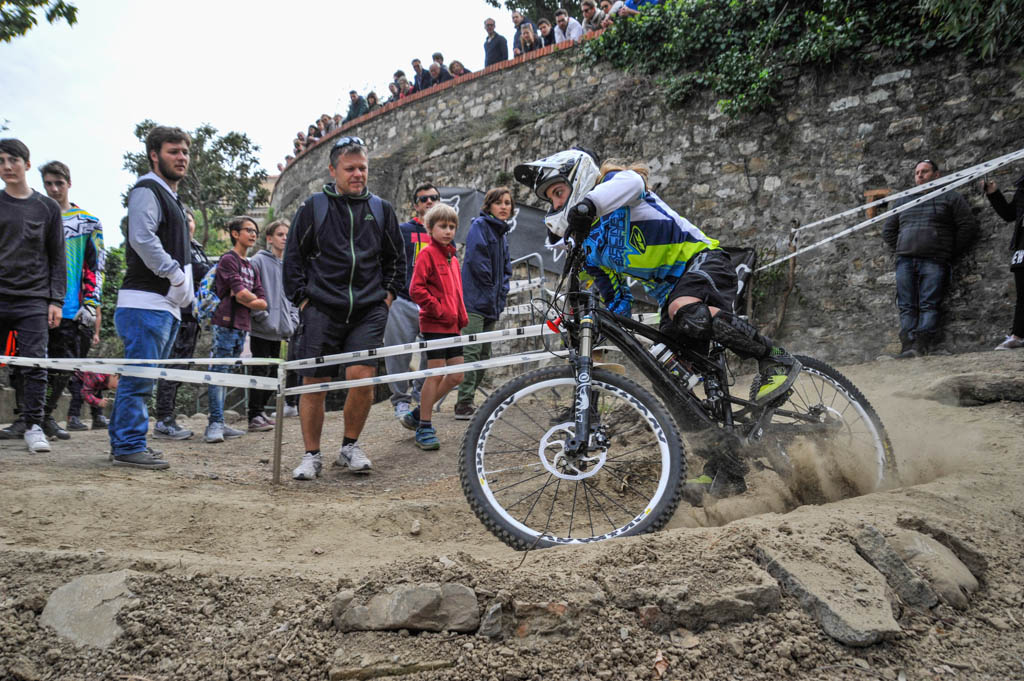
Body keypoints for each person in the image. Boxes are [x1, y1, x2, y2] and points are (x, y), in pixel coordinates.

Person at [513, 149, 802, 494]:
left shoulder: (615, 185)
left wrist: (587, 206)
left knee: (685, 309)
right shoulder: (592, 249)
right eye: (551, 199)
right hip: (671, 297)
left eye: (559, 192)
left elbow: (633, 181)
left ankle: (775, 359)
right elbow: (616, 299)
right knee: (667, 380)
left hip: (703, 262)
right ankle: (725, 466)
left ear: (578, 179)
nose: (556, 203)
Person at [283, 136, 404, 480]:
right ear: (333, 170)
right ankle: (311, 455)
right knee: (314, 383)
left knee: (362, 379)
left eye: (362, 168)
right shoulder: (313, 207)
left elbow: (396, 259)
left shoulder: (381, 209)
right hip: (321, 308)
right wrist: (303, 300)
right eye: (350, 168)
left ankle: (349, 447)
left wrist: (387, 297)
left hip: (368, 309)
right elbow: (293, 258)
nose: (357, 174)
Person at [109, 125, 194, 470]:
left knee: (143, 379)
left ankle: (127, 443)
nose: (181, 157)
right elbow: (142, 238)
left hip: (163, 306)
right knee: (139, 380)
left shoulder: (170, 197)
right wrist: (175, 274)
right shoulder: (147, 189)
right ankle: (128, 445)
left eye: (185, 151)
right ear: (154, 155)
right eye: (174, 151)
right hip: (145, 303)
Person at [0, 138, 66, 454]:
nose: (7, 166)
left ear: (26, 164)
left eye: (13, 160)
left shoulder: (47, 207)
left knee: (35, 365)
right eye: (1, 161)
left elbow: (57, 257)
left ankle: (33, 426)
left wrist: (56, 301)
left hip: (34, 299)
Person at [33, 160, 105, 439]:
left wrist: (91, 304)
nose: (53, 189)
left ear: (69, 183)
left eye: (59, 183)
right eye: (48, 184)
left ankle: (46, 416)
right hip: (35, 305)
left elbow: (97, 266)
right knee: (28, 365)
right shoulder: (34, 216)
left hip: (71, 309)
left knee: (64, 368)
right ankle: (29, 419)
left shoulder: (88, 222)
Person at [881, 159, 978, 358]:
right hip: (906, 260)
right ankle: (907, 346)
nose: (920, 175)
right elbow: (888, 231)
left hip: (934, 260)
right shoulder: (903, 200)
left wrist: (948, 250)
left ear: (936, 175)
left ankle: (921, 345)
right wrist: (903, 247)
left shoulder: (950, 197)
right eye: (917, 172)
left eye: (924, 171)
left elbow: (968, 226)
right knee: (906, 305)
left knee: (929, 303)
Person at [403, 203, 467, 449]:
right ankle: (425, 425)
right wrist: (438, 310)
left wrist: (460, 316)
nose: (448, 231)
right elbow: (416, 289)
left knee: (456, 375)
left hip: (453, 325)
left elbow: (457, 293)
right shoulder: (427, 254)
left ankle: (419, 412)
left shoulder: (453, 259)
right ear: (430, 228)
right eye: (442, 226)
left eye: (452, 226)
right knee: (436, 374)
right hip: (434, 324)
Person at [203, 216, 267, 443]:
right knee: (219, 373)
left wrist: (248, 298)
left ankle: (220, 421)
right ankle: (214, 423)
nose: (253, 234)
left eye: (255, 231)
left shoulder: (250, 266)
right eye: (248, 230)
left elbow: (262, 300)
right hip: (225, 323)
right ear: (235, 233)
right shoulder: (228, 260)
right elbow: (240, 293)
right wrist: (247, 297)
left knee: (227, 374)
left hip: (242, 325)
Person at [453, 187, 513, 420]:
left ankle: (468, 400)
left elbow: (506, 269)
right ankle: (463, 403)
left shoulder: (502, 233)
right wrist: (491, 290)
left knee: (484, 355)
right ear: (489, 206)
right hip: (474, 302)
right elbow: (478, 263)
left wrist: (501, 292)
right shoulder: (480, 226)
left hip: (491, 304)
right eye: (499, 203)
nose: (504, 207)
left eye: (507, 203)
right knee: (471, 353)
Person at [153, 208, 213, 440]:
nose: (187, 224)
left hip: (194, 316)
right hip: (178, 313)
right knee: (172, 367)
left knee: (181, 369)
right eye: (183, 220)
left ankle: (168, 418)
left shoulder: (196, 247)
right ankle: (163, 420)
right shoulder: (174, 246)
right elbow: (201, 272)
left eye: (190, 220)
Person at [383, 183, 437, 421]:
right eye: (424, 199)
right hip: (403, 299)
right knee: (398, 352)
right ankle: (400, 400)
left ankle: (420, 392)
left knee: (433, 351)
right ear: (416, 205)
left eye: (433, 197)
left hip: (432, 302)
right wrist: (388, 293)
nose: (429, 201)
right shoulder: (403, 230)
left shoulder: (444, 232)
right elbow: (388, 259)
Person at [247, 218, 298, 430]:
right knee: (259, 372)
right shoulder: (257, 261)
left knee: (274, 373)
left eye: (287, 234)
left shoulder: (288, 266)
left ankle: (261, 411)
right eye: (280, 234)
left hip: (281, 330)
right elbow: (248, 292)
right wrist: (262, 317)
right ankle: (254, 415)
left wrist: (293, 321)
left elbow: (293, 297)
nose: (284, 238)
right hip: (261, 329)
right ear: (269, 238)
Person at [981, 173, 1024, 350]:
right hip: (1023, 246)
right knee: (1023, 293)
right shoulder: (1023, 188)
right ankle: (1018, 335)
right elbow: (1009, 214)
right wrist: (994, 193)